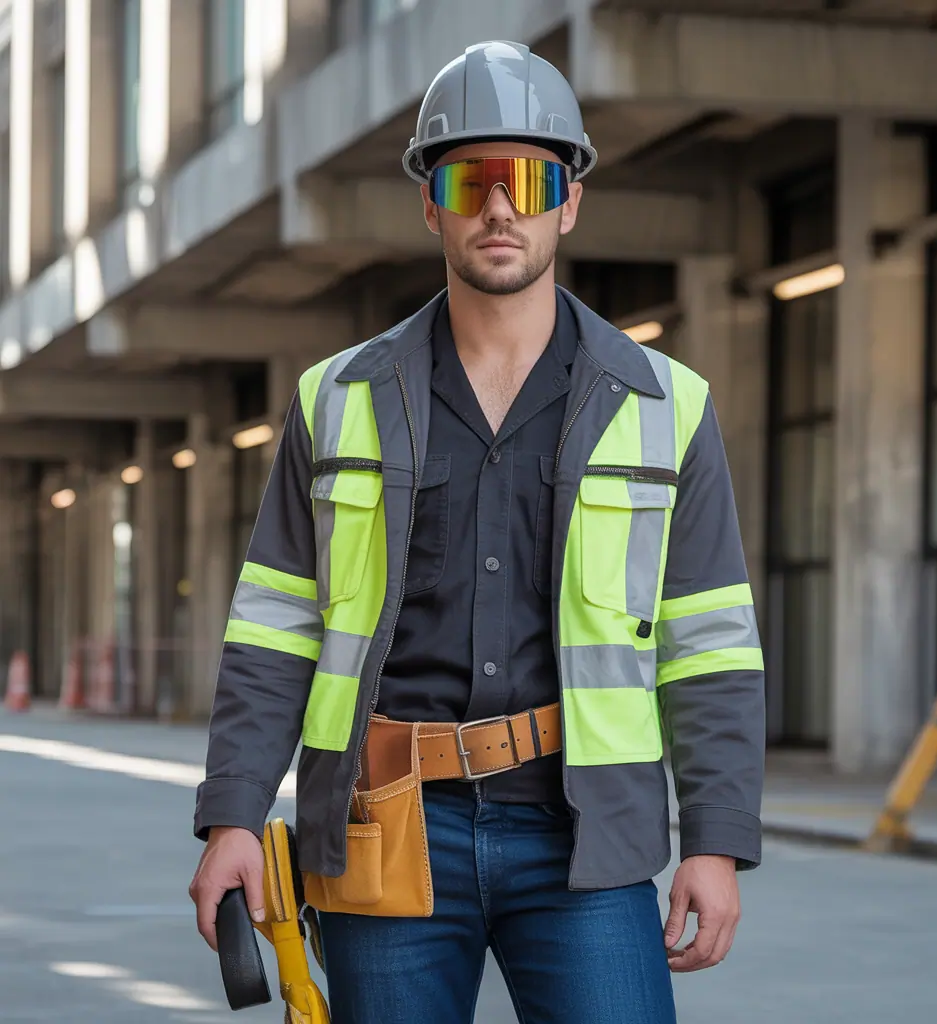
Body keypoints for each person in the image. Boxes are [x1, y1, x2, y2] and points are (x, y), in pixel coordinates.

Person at [189, 39, 765, 1024]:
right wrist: (234, 812)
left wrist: (713, 839)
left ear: (567, 200)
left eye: (529, 179)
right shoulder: (334, 400)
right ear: (432, 203)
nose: (500, 206)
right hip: (388, 825)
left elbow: (705, 647)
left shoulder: (666, 404)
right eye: (471, 180)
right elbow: (274, 630)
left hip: (583, 827)